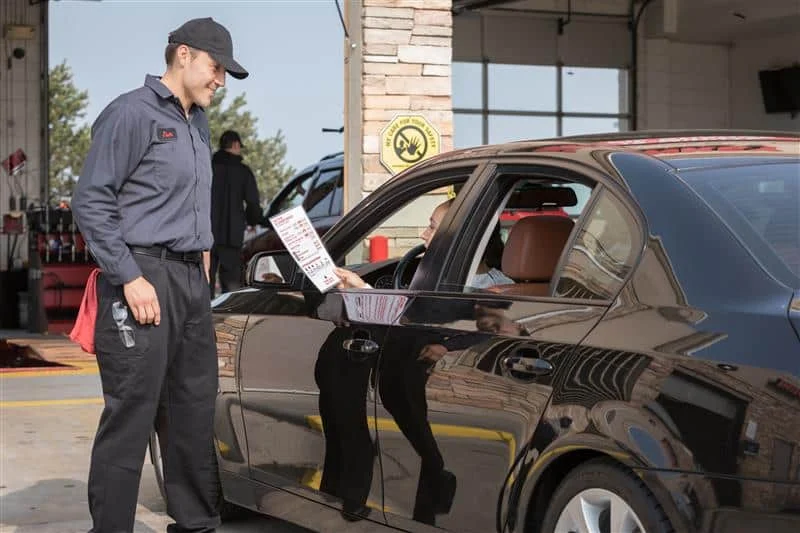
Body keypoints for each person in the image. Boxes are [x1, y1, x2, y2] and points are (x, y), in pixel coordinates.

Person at [71, 17, 248, 533]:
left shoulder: (198, 124)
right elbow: (91, 201)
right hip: (141, 278)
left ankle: (194, 523)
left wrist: (206, 264)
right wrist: (128, 275)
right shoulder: (131, 113)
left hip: (192, 283)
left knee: (193, 412)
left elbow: (192, 206)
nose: (221, 80)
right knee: (132, 414)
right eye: (217, 68)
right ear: (185, 56)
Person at [335, 198, 514, 290]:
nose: (423, 234)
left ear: (458, 238)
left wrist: (362, 288)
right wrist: (359, 287)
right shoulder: (504, 284)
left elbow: (399, 321)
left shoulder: (450, 288)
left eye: (432, 227)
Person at [210, 129, 264, 296]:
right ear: (235, 145)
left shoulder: (208, 168)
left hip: (206, 234)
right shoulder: (243, 172)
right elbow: (253, 203)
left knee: (204, 282)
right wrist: (254, 221)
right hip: (232, 237)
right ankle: (228, 320)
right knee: (232, 288)